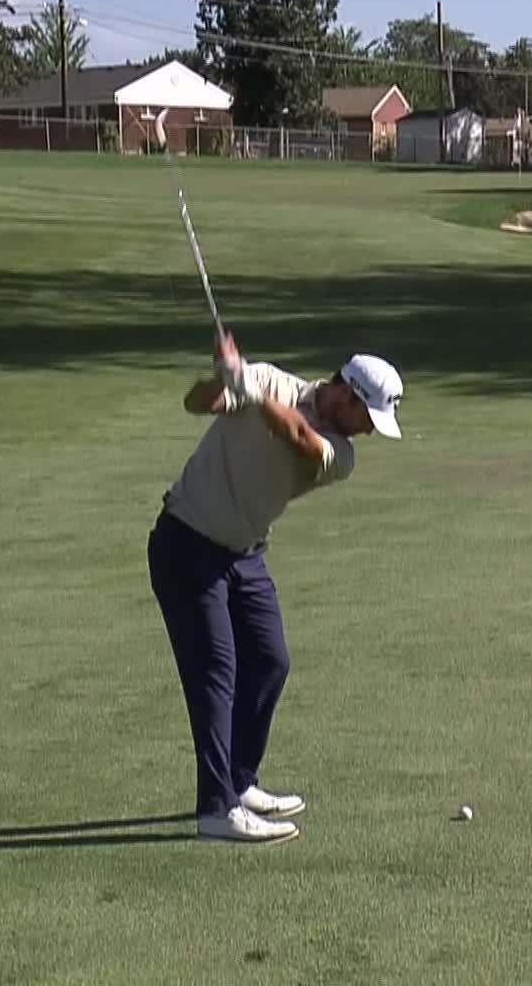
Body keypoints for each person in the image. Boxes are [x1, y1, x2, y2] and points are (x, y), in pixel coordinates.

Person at [148, 331, 404, 844]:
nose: (370, 433)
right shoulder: (269, 380)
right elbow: (200, 403)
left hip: (243, 555)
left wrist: (251, 388)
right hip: (187, 546)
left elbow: (300, 440)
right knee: (216, 672)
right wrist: (224, 376)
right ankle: (216, 809)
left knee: (270, 661)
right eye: (368, 419)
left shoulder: (340, 453)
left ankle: (240, 781)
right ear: (346, 393)